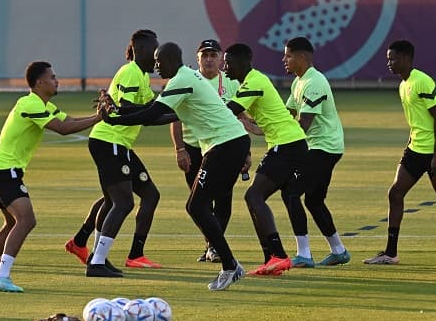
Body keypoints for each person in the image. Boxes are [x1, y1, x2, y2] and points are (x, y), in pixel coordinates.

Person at [102, 42, 249, 290]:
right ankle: (228, 263)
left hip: (226, 145)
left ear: (171, 59)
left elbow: (150, 115)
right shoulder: (185, 77)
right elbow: (155, 112)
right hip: (227, 144)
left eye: (159, 61)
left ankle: (230, 265)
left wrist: (115, 119)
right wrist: (118, 110)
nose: (156, 66)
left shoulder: (182, 79)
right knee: (201, 205)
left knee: (197, 206)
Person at [0, 61, 102, 292]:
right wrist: (99, 118)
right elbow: (62, 129)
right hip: (5, 171)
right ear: (39, 82)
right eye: (52, 77)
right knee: (26, 220)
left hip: (3, 170)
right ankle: (2, 276)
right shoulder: (30, 103)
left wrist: (98, 116)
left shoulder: (42, 104)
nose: (57, 80)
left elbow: (69, 120)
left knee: (11, 222)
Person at [364, 39, 436, 265]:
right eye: (388, 58)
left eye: (393, 58)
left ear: (407, 59)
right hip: (415, 149)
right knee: (395, 193)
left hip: (434, 152)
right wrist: (410, 142)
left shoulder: (422, 81)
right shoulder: (403, 85)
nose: (389, 63)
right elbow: (417, 121)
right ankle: (391, 252)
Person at [66, 30, 163, 277]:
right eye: (154, 51)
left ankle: (114, 256)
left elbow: (150, 115)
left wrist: (179, 112)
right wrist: (162, 108)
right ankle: (97, 262)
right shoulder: (130, 71)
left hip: (119, 144)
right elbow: (127, 108)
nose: (157, 56)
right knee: (123, 202)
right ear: (140, 50)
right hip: (108, 141)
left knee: (146, 195)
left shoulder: (141, 75)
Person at [223, 42, 307, 276]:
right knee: (256, 197)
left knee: (254, 195)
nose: (224, 68)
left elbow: (227, 110)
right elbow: (258, 123)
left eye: (228, 63)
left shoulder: (254, 81)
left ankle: (278, 255)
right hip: (288, 143)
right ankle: (272, 258)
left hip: (287, 144)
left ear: (241, 63)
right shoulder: (251, 82)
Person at [170, 39, 242, 264]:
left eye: (213, 55)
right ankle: (213, 244)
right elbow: (174, 116)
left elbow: (238, 117)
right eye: (205, 55)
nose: (209, 59)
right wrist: (180, 149)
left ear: (221, 58)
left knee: (223, 200)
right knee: (199, 203)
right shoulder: (189, 80)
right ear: (197, 58)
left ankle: (214, 247)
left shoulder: (230, 83)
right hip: (194, 148)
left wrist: (245, 154)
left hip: (222, 147)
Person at [281, 37, 351, 267]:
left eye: (288, 55)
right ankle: (339, 250)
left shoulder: (314, 82)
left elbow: (303, 124)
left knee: (291, 192)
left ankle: (304, 254)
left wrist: (285, 149)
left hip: (324, 147)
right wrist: (254, 122)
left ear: (302, 57)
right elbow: (285, 116)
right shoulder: (298, 82)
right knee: (314, 200)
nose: (284, 60)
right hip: (321, 147)